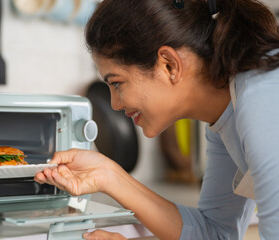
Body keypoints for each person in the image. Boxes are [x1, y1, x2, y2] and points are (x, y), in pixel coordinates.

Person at [35, 0, 279, 239]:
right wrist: (108, 175)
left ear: (169, 65)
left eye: (117, 83)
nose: (115, 104)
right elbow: (214, 232)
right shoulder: (223, 123)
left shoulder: (262, 95)